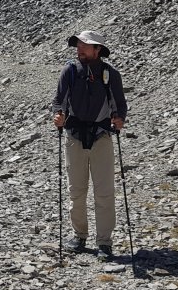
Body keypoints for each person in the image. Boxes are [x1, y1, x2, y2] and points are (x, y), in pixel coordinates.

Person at [51, 30, 128, 259]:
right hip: (74, 136)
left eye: (85, 45)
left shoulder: (110, 74)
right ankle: (80, 236)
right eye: (79, 45)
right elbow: (58, 101)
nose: (80, 48)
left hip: (101, 136)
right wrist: (58, 115)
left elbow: (120, 104)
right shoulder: (70, 71)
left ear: (98, 49)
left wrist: (119, 119)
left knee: (104, 192)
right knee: (76, 191)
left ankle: (104, 242)